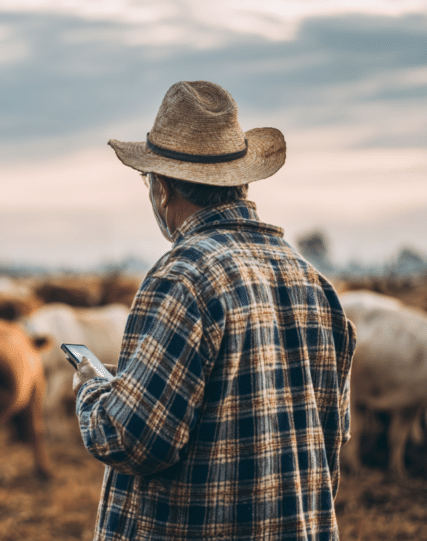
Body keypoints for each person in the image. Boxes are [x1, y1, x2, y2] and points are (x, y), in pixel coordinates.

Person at [72, 81, 355, 540]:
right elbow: (329, 436)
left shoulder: (184, 276)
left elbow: (133, 439)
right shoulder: (314, 282)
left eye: (148, 181)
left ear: (161, 188)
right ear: (241, 182)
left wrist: (91, 389)